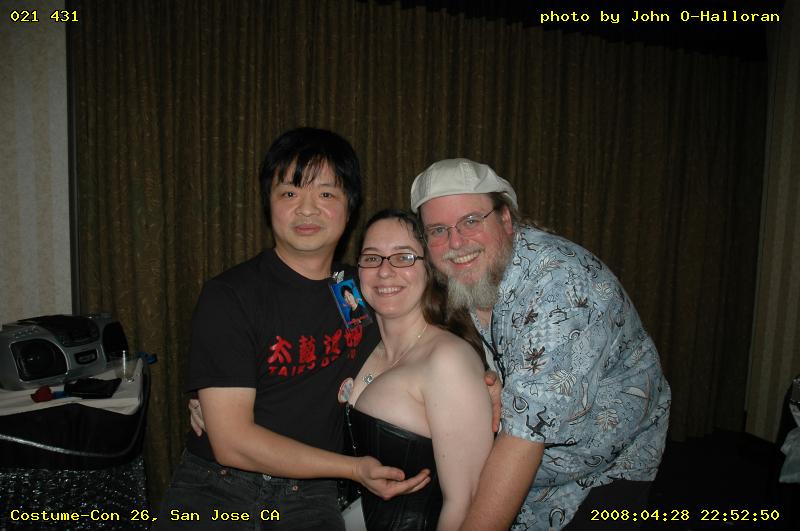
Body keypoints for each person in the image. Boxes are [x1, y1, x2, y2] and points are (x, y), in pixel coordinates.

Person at [154, 128, 429, 530]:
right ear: (268, 204)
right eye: (289, 193)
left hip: (310, 498)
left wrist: (483, 380)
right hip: (218, 487)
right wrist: (353, 469)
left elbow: (433, 332)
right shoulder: (230, 295)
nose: (307, 209)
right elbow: (231, 443)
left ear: (350, 208)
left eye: (326, 194)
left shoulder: (365, 287)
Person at [409, 159, 671, 530]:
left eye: (471, 220)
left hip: (611, 463)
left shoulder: (559, 287)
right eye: (438, 230)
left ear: (506, 219)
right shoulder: (469, 275)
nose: (455, 242)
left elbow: (523, 438)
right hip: (535, 472)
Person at [345, 209, 494, 530]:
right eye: (372, 258)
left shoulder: (448, 359)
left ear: (430, 269)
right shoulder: (361, 346)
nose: (385, 271)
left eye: (404, 257)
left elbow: (466, 501)